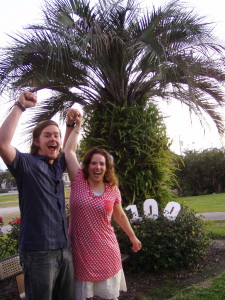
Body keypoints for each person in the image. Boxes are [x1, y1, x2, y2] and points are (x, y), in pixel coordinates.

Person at [0, 91, 75, 300]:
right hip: (38, 253)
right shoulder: (26, 164)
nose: (54, 139)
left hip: (64, 248)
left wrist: (69, 126)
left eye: (56, 135)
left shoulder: (58, 166)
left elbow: (67, 148)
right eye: (48, 135)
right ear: (36, 142)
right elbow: (2, 144)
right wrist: (20, 106)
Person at [64, 108, 142, 300]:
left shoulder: (112, 189)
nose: (97, 167)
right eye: (93, 163)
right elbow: (68, 151)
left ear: (107, 168)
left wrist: (133, 237)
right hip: (81, 251)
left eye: (102, 164)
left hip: (107, 249)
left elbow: (120, 215)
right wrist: (77, 125)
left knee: (110, 296)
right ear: (87, 165)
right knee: (85, 296)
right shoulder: (78, 180)